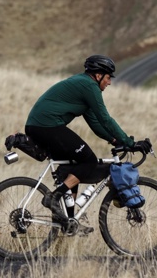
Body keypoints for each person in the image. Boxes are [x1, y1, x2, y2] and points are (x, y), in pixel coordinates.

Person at [24, 54, 148, 224]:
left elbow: (96, 123)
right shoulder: (89, 86)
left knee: (74, 165)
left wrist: (114, 140)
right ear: (98, 75)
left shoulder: (83, 85)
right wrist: (129, 142)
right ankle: (53, 198)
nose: (109, 82)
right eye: (108, 78)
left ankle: (69, 220)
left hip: (39, 126)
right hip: (47, 126)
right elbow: (105, 119)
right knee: (89, 160)